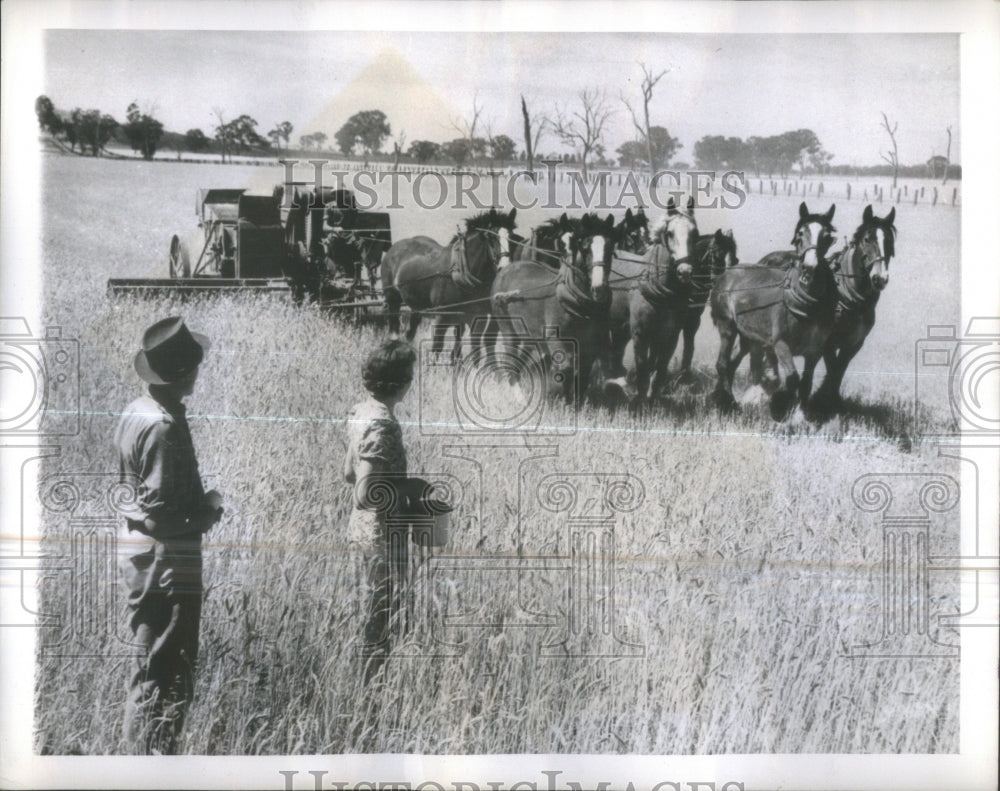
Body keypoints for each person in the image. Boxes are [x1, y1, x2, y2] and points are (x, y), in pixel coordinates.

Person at [114, 316, 223, 754]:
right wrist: (208, 513)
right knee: (166, 667)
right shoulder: (163, 427)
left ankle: (140, 755)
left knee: (149, 664)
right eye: (194, 365)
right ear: (182, 373)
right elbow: (160, 520)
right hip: (166, 562)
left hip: (140, 557)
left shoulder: (137, 410)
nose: (199, 371)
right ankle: (153, 760)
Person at [343, 338, 419, 684]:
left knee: (366, 612)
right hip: (379, 535)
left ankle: (364, 682)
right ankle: (371, 688)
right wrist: (406, 494)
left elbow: (349, 473)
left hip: (359, 531)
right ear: (402, 382)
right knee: (378, 618)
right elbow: (364, 492)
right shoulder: (383, 424)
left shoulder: (362, 412)